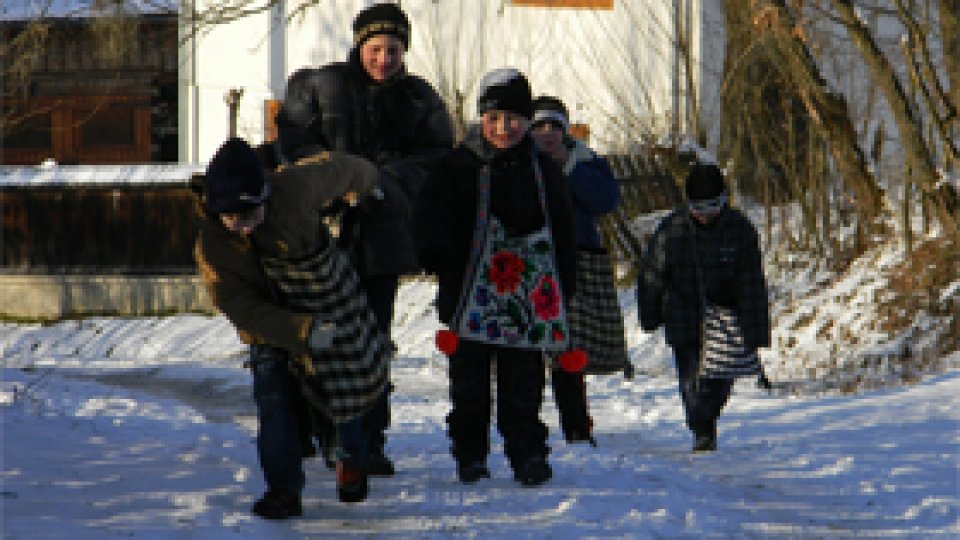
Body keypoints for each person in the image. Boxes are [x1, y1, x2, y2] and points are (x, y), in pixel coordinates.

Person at [275, 2, 454, 475]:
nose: (384, 59)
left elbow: (436, 157)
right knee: (317, 334)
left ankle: (370, 440)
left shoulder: (420, 99)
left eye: (393, 49)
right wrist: (337, 180)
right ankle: (317, 429)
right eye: (376, 48)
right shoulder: (319, 84)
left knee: (373, 340)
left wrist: (377, 182)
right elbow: (293, 141)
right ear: (360, 45)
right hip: (321, 235)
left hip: (383, 237)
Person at [194, 138, 390, 519]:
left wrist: (370, 186)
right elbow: (238, 304)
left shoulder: (296, 187)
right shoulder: (212, 244)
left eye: (251, 215)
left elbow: (342, 167)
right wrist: (299, 330)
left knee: (347, 376)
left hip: (324, 296)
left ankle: (351, 458)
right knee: (274, 399)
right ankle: (283, 490)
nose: (244, 228)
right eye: (233, 219)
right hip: (268, 323)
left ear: (266, 196)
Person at [413, 69, 578, 487]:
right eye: (495, 118)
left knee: (523, 383)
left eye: (514, 119)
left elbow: (562, 230)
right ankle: (471, 455)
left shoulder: (542, 170)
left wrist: (563, 284)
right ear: (480, 119)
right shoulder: (457, 166)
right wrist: (436, 254)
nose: (504, 128)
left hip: (526, 299)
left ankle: (527, 454)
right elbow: (430, 216)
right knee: (469, 386)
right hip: (469, 292)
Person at [637, 163, 771, 452]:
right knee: (691, 377)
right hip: (683, 313)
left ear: (724, 201)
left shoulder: (740, 230)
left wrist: (755, 330)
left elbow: (751, 282)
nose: (705, 215)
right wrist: (650, 313)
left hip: (726, 318)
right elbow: (652, 274)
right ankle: (702, 428)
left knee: (721, 377)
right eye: (698, 207)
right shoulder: (672, 229)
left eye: (712, 206)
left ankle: (707, 416)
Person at [529, 95, 627, 446]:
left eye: (555, 126)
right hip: (530, 263)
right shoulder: (520, 161)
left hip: (578, 263)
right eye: (539, 126)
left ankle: (576, 425)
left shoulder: (584, 161)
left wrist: (568, 168)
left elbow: (605, 201)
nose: (547, 133)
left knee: (569, 349)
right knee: (530, 352)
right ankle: (527, 426)